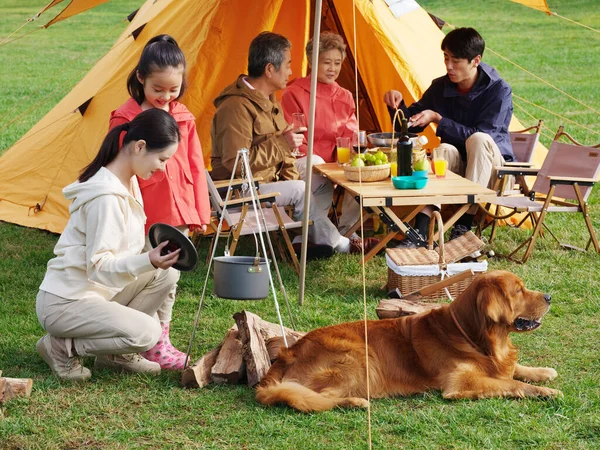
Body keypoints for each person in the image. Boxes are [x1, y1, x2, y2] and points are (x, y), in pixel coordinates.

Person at [36, 109, 182, 381]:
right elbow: (99, 267)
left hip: (97, 293)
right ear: (140, 147)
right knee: (146, 332)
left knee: (167, 273)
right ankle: (61, 347)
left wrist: (152, 261)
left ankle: (116, 354)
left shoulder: (127, 182)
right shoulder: (106, 197)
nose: (163, 166)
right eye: (162, 158)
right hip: (66, 302)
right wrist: (147, 260)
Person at [211, 31, 378, 256]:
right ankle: (342, 244)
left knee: (312, 177)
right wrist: (284, 146)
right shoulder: (236, 107)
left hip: (268, 180)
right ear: (270, 69)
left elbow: (286, 155)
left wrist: (289, 173)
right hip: (241, 189)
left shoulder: (268, 100)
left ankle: (307, 238)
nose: (291, 71)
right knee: (300, 189)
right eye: (288, 65)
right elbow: (236, 164)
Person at [109, 34, 210, 369]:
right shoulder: (125, 118)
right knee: (140, 275)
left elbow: (196, 164)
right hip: (143, 213)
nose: (166, 97)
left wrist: (199, 209)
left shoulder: (184, 117)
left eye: (173, 90)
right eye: (158, 89)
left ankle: (158, 340)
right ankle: (125, 335)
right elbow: (117, 167)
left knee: (171, 278)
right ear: (140, 79)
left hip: (177, 210)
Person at [384, 27, 515, 244]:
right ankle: (421, 231)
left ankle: (463, 227)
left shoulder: (499, 90)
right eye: (446, 58)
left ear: (475, 60)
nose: (448, 66)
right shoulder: (440, 86)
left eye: (456, 61)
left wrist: (438, 118)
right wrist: (396, 105)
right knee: (444, 150)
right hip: (459, 171)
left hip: (496, 174)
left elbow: (484, 135)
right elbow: (408, 126)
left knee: (478, 139)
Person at [281, 32, 361, 236]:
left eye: (337, 62)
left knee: (360, 169)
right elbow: (296, 138)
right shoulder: (294, 92)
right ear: (311, 61)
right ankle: (313, 233)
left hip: (334, 163)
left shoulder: (345, 96)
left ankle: (347, 230)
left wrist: (351, 158)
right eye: (326, 62)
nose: (332, 68)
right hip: (302, 159)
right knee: (316, 166)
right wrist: (327, 169)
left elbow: (350, 135)